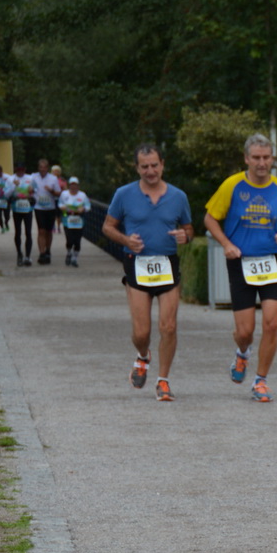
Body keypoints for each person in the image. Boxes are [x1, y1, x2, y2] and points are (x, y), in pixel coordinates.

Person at [205, 134, 277, 402]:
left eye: (266, 158)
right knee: (245, 331)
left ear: (272, 159)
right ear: (247, 158)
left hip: (271, 261)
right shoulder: (233, 185)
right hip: (241, 262)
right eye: (256, 158)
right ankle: (242, 353)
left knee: (271, 322)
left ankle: (260, 380)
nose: (262, 163)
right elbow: (210, 218)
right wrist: (226, 243)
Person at [102, 145, 193, 400]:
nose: (150, 171)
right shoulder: (124, 194)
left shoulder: (178, 196)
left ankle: (163, 380)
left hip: (167, 266)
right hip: (137, 265)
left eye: (154, 165)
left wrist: (185, 236)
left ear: (162, 164)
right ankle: (143, 356)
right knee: (142, 332)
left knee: (169, 326)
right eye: (145, 166)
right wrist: (125, 240)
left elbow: (189, 229)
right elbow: (108, 227)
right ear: (137, 168)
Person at [31, 158, 64, 265]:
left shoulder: (53, 179)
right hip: (38, 207)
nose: (42, 169)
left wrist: (52, 191)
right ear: (38, 168)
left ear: (47, 168)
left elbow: (59, 193)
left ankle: (48, 250)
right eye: (41, 167)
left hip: (50, 208)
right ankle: (42, 253)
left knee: (49, 231)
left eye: (44, 167)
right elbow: (29, 188)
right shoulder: (34, 177)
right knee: (41, 231)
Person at [58, 176, 90, 267]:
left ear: (78, 186)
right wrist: (62, 207)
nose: (73, 187)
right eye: (72, 185)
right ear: (69, 185)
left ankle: (74, 258)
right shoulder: (64, 194)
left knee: (77, 240)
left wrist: (83, 208)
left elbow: (88, 206)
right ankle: (69, 252)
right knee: (69, 239)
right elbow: (59, 203)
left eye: (75, 185)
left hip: (79, 221)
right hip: (67, 220)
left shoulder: (82, 195)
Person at [10, 167, 35, 266]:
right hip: (16, 208)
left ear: (25, 170)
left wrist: (31, 192)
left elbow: (36, 191)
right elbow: (6, 193)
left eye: (22, 170)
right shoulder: (11, 179)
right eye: (18, 170)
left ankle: (28, 256)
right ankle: (19, 253)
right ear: (16, 170)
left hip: (27, 208)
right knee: (18, 232)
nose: (20, 172)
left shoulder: (30, 178)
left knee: (28, 232)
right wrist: (13, 186)